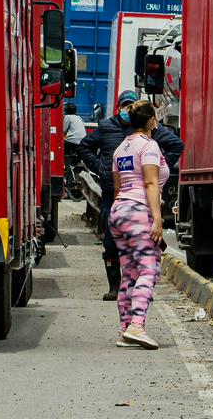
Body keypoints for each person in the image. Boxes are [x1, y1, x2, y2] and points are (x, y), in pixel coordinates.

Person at [108, 100, 167, 349]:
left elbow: (118, 187)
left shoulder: (121, 148)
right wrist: (157, 219)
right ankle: (137, 325)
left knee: (130, 273)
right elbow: (151, 184)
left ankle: (125, 329)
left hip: (119, 211)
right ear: (151, 121)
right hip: (138, 210)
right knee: (149, 269)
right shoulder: (149, 146)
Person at [78, 89, 141, 300]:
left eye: (131, 105)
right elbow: (84, 146)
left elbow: (174, 145)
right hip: (111, 195)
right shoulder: (106, 127)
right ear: (118, 107)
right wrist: (100, 167)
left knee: (134, 244)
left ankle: (131, 288)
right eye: (124, 105)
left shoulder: (142, 128)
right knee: (111, 244)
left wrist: (159, 167)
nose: (127, 110)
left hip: (136, 197)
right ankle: (114, 288)